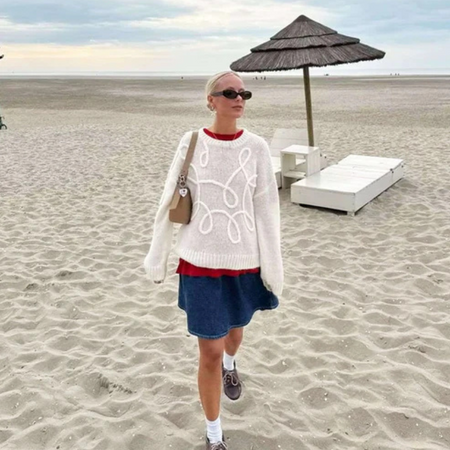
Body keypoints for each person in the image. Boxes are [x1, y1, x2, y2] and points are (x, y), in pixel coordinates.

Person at [143, 70, 283, 450]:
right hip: (199, 263)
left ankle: (231, 367)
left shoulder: (256, 147)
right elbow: (168, 198)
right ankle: (214, 435)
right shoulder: (190, 143)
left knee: (234, 335)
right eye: (230, 93)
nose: (239, 99)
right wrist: (158, 255)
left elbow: (267, 209)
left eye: (244, 94)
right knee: (209, 350)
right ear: (211, 100)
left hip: (244, 263)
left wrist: (273, 266)